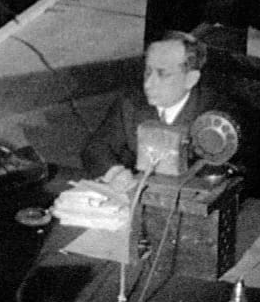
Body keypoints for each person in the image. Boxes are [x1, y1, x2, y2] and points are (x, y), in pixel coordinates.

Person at [80, 31, 228, 187]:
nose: (148, 84)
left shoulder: (216, 115)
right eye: (148, 71)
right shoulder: (131, 103)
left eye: (163, 74)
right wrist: (114, 172)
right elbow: (95, 147)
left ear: (191, 79)